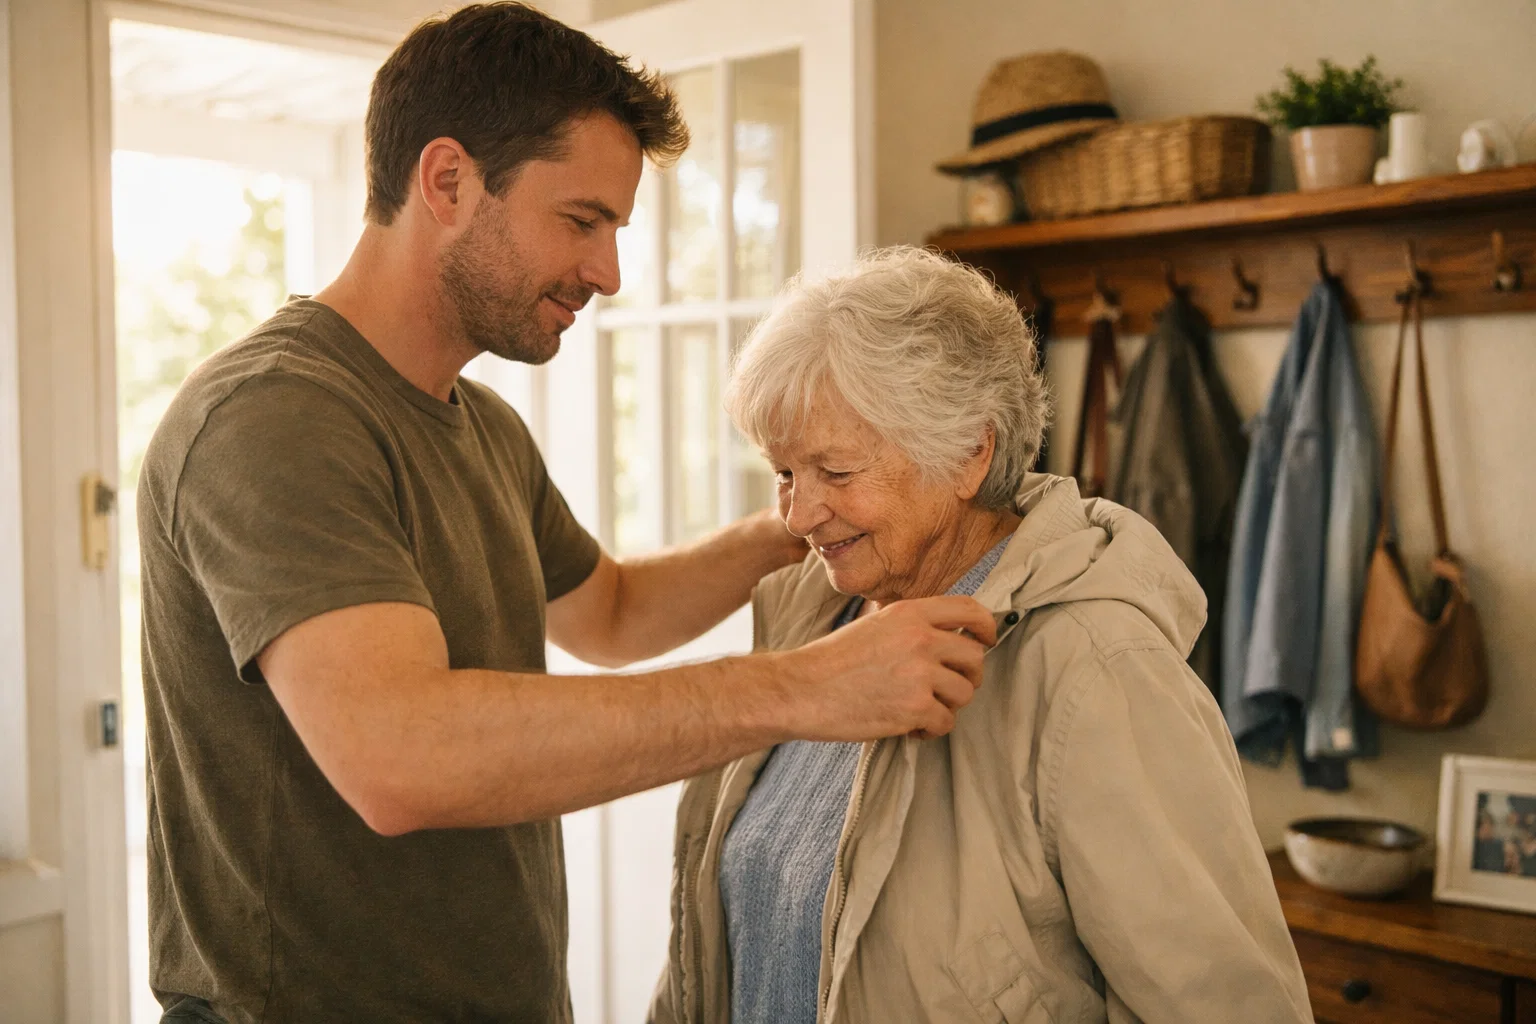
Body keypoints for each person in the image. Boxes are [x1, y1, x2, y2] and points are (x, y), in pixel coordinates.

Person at [136, 7, 997, 1023]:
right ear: (448, 181)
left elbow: (614, 613)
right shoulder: (275, 418)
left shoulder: (481, 425)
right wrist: (805, 688)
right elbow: (399, 758)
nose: (608, 272)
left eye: (614, 232)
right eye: (581, 221)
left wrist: (817, 510)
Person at [650, 247, 1313, 1024]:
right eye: (785, 473)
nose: (796, 517)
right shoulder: (807, 619)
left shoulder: (1098, 672)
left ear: (970, 452)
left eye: (835, 472)